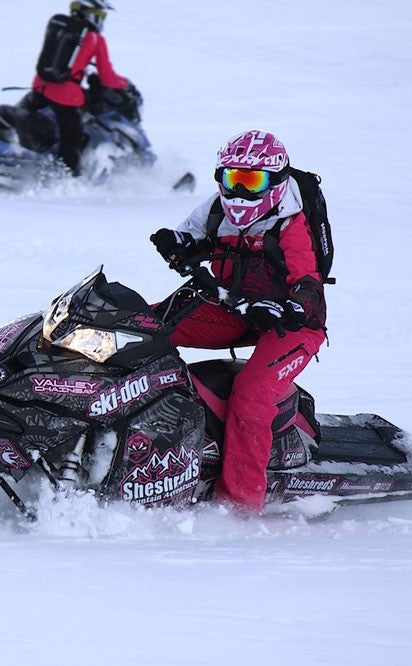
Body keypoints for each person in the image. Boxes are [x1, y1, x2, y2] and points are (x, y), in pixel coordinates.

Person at [150, 130, 327, 514]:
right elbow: (190, 235)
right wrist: (174, 243)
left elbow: (308, 284)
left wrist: (292, 308)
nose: (240, 193)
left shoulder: (291, 225)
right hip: (234, 309)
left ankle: (240, 506)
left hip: (293, 327)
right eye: (233, 179)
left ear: (276, 183)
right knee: (143, 326)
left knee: (250, 394)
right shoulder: (217, 209)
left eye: (251, 181)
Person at [32, 1, 130, 176]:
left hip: (40, 86)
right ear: (91, 14)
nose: (102, 21)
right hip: (64, 96)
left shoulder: (61, 26)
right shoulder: (94, 38)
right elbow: (107, 77)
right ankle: (66, 178)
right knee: (72, 139)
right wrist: (125, 84)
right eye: (101, 16)